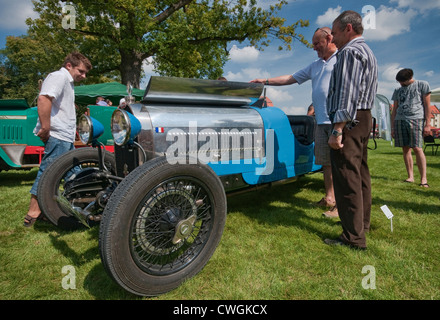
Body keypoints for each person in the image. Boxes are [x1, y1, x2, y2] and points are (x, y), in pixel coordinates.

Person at [251, 27, 339, 217]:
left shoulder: (342, 59)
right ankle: (330, 197)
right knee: (327, 163)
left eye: (317, 43)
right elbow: (290, 78)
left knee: (341, 163)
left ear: (329, 38)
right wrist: (264, 80)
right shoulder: (315, 65)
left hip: (337, 119)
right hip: (321, 121)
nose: (314, 47)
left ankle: (341, 206)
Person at [324, 11, 378, 250]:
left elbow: (347, 93)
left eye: (334, 32)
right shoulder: (367, 51)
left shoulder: (349, 52)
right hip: (364, 117)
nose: (332, 39)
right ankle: (361, 226)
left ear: (347, 28)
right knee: (360, 174)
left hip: (350, 121)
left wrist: (337, 129)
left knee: (346, 176)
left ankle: (353, 238)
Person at [23, 52, 92, 227]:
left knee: (72, 174)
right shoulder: (59, 77)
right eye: (81, 71)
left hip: (65, 136)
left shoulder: (67, 82)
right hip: (57, 135)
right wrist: (46, 127)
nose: (83, 76)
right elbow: (44, 98)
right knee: (48, 173)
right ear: (69, 65)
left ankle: (64, 208)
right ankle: (33, 213)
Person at [391, 68, 431, 187]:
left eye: (402, 81)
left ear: (410, 78)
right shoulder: (397, 90)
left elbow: (427, 105)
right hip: (400, 119)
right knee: (405, 149)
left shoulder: (422, 85)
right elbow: (394, 109)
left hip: (416, 118)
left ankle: (423, 179)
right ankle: (410, 177)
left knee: (417, 148)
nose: (400, 84)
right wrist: (393, 127)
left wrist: (428, 124)